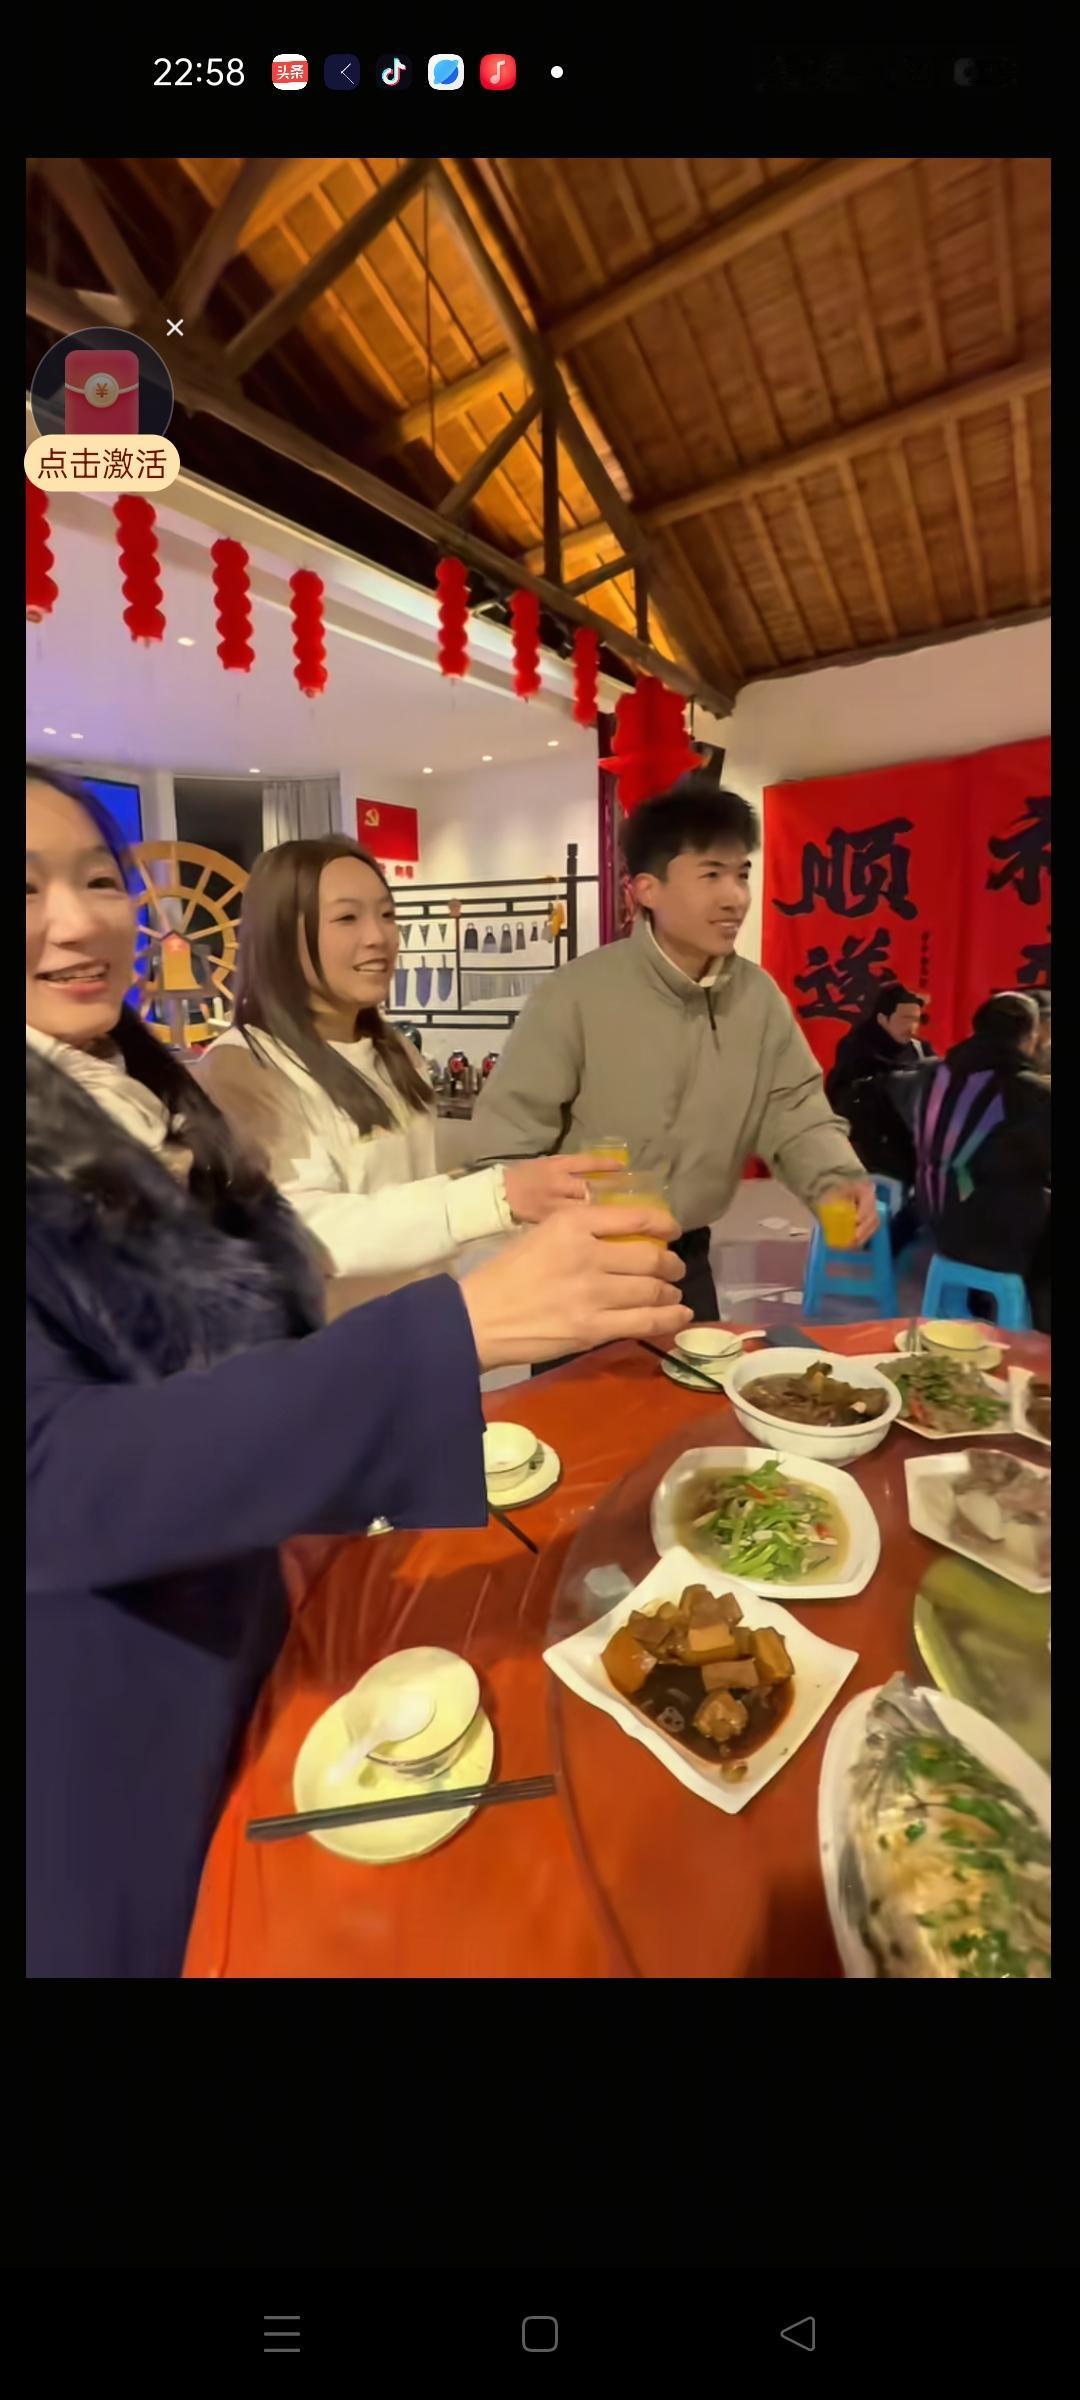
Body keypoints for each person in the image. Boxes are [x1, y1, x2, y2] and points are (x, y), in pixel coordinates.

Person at [26, 772, 691, 1978]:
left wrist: (491, 1225)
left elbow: (258, 1280)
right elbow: (60, 1470)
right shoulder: (231, 1070)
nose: (75, 922)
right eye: (25, 891)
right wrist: (456, 1322)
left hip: (267, 1527)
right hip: (117, 1683)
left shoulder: (131, 1073)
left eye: (96, 880)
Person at [468, 773, 877, 1325]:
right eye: (711, 875)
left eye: (741, 874)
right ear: (646, 889)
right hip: (583, 1258)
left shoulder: (758, 999)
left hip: (687, 1258)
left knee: (694, 1381)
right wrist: (543, 1234)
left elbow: (793, 1110)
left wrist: (835, 1180)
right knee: (589, 1387)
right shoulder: (575, 995)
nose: (735, 897)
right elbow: (507, 1143)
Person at [199, 837, 619, 1313]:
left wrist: (526, 1219)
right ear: (280, 937)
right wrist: (496, 1197)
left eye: (387, 914)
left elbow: (414, 1207)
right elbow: (306, 1231)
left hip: (424, 1325)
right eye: (347, 918)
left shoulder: (393, 1048)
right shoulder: (244, 1064)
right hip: (333, 1346)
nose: (378, 937)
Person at [907, 992, 1050, 1331]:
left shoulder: (934, 1075)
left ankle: (981, 1304)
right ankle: (1038, 1339)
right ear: (1029, 1036)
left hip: (935, 1224)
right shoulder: (1023, 1090)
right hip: (992, 1238)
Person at [825, 982, 937, 1253]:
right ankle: (879, 1242)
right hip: (868, 1141)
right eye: (905, 1018)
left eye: (916, 1019)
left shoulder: (920, 1049)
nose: (911, 1027)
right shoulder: (857, 1048)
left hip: (910, 1136)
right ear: (882, 1018)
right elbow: (840, 1098)